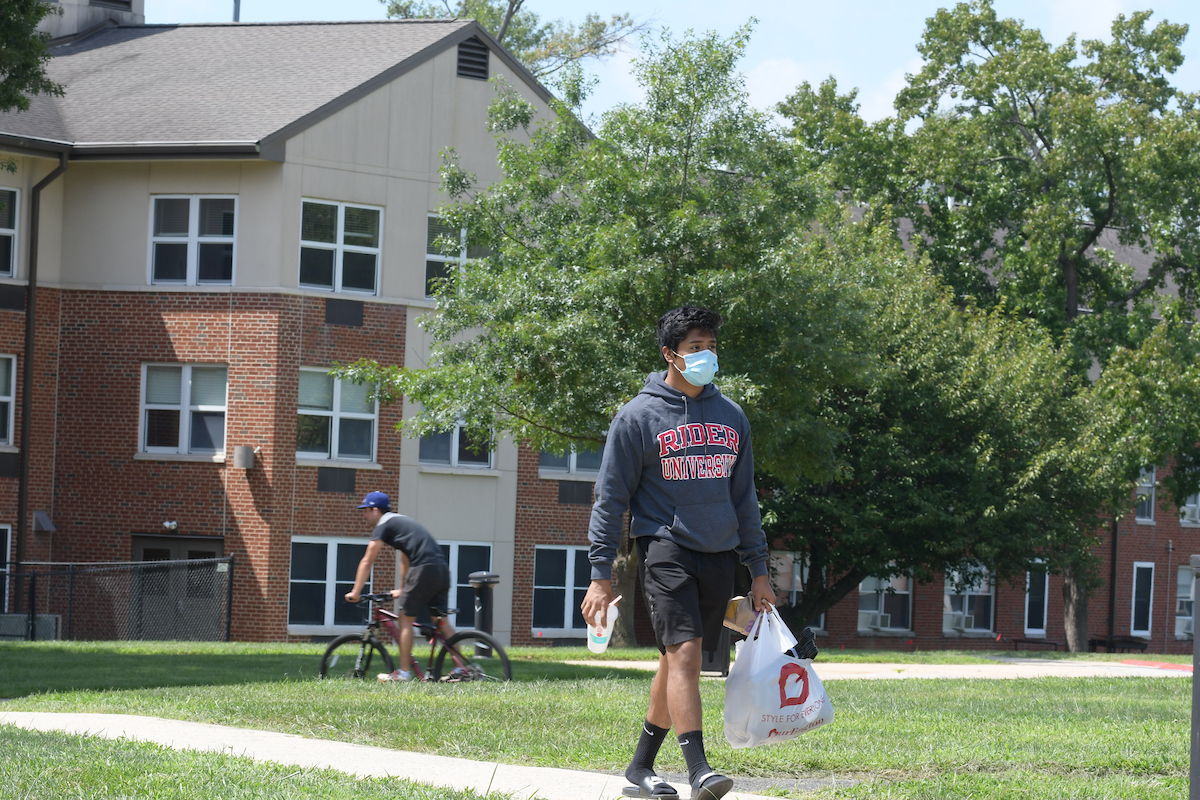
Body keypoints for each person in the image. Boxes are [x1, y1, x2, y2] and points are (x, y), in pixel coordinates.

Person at [582, 306, 777, 800]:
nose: (706, 355)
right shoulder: (637, 417)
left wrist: (758, 570)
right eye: (695, 348)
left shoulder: (732, 416)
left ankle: (641, 766)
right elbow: (610, 499)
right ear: (670, 354)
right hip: (664, 546)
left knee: (675, 662)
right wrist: (600, 574)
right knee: (686, 653)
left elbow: (744, 498)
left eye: (711, 346)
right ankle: (700, 771)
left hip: (719, 550)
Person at [345, 491, 454, 682]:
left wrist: (356, 591)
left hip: (423, 569)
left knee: (404, 619)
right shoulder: (401, 522)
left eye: (366, 511)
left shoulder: (384, 524)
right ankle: (460, 669)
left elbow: (367, 559)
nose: (364, 515)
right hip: (441, 569)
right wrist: (403, 587)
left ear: (376, 510)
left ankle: (404, 673)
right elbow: (405, 557)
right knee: (440, 620)